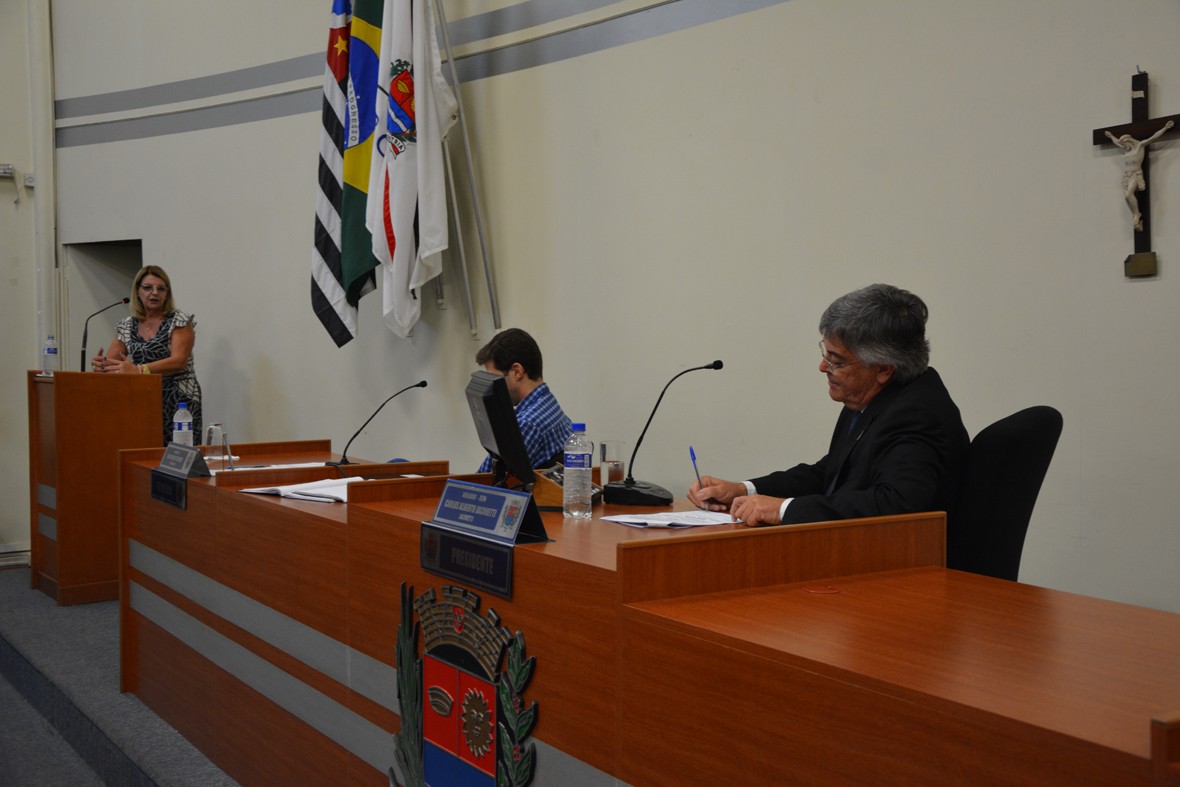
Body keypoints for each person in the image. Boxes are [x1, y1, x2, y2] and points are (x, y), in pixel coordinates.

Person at [689, 283, 969, 527]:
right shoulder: (871, 397)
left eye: (837, 361)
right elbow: (831, 474)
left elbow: (895, 504)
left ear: (883, 369)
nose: (823, 367)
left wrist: (783, 510)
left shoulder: (917, 414)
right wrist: (743, 490)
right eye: (826, 354)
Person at [93, 265, 203, 444]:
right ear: (137, 291)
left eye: (161, 289)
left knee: (179, 454)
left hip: (179, 400)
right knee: (147, 451)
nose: (155, 293)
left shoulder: (179, 320)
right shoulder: (128, 325)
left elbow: (179, 361)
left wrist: (139, 370)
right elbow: (113, 362)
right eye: (148, 288)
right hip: (143, 398)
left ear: (167, 293)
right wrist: (102, 366)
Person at [475, 328, 572, 472]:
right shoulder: (549, 405)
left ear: (517, 372)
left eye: (493, 378)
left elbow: (483, 479)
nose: (491, 387)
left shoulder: (527, 423)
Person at [1105, 119, 1174, 231]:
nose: (1123, 146)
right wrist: (1111, 136)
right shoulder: (1126, 150)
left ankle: (1137, 214)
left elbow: (1153, 138)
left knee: (1128, 195)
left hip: (1136, 175)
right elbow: (1117, 142)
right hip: (1127, 176)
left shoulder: (1140, 146)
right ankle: (1135, 214)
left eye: (1124, 144)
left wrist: (1165, 128)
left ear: (1129, 141)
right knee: (1127, 198)